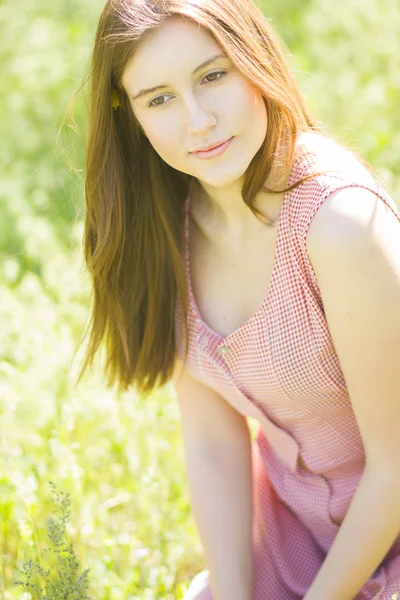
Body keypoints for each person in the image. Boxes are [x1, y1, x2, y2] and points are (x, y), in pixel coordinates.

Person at [78, 0, 400, 598]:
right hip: (294, 536)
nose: (198, 120)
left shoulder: (339, 224)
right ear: (131, 116)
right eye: (159, 98)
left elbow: (397, 466)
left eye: (213, 75)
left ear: (255, 61)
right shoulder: (163, 234)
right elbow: (212, 439)